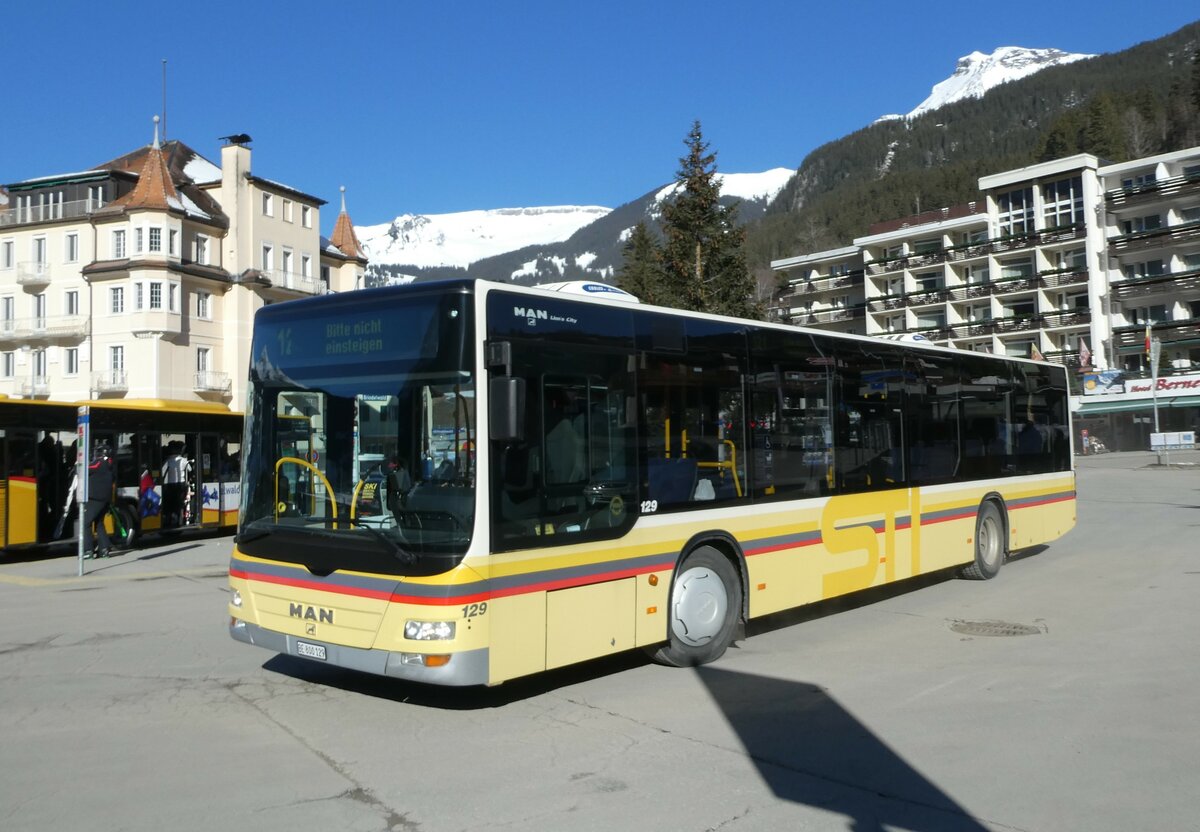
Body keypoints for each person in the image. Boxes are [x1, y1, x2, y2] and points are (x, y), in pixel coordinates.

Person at [84, 443, 115, 558]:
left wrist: (79, 465)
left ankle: (88, 551)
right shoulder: (110, 465)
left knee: (86, 523)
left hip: (96, 498)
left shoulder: (99, 463)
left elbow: (86, 470)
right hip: (105, 499)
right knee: (99, 523)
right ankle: (104, 549)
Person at [161, 442, 190, 528]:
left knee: (171, 502)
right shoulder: (183, 460)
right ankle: (179, 521)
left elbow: (162, 472)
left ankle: (169, 519)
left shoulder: (168, 460)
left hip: (170, 485)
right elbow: (190, 469)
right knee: (179, 503)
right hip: (181, 484)